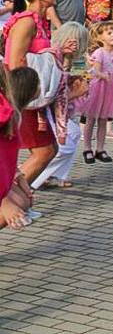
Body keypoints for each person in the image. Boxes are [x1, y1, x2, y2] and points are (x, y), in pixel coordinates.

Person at [4, 0, 76, 186]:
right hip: (22, 95)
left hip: (31, 95)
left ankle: (17, 199)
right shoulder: (26, 22)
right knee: (45, 151)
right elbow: (15, 61)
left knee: (47, 150)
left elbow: (39, 56)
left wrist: (60, 53)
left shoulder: (39, 21)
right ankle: (11, 200)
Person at [79, 21, 113, 164]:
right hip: (99, 88)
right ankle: (87, 148)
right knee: (91, 119)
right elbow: (95, 71)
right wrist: (103, 75)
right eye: (109, 33)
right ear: (100, 38)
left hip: (112, 89)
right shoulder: (99, 52)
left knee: (103, 120)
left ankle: (100, 149)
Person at [0, 66, 40, 230]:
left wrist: (18, 175)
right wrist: (4, 202)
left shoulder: (9, 111)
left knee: (22, 202)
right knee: (14, 206)